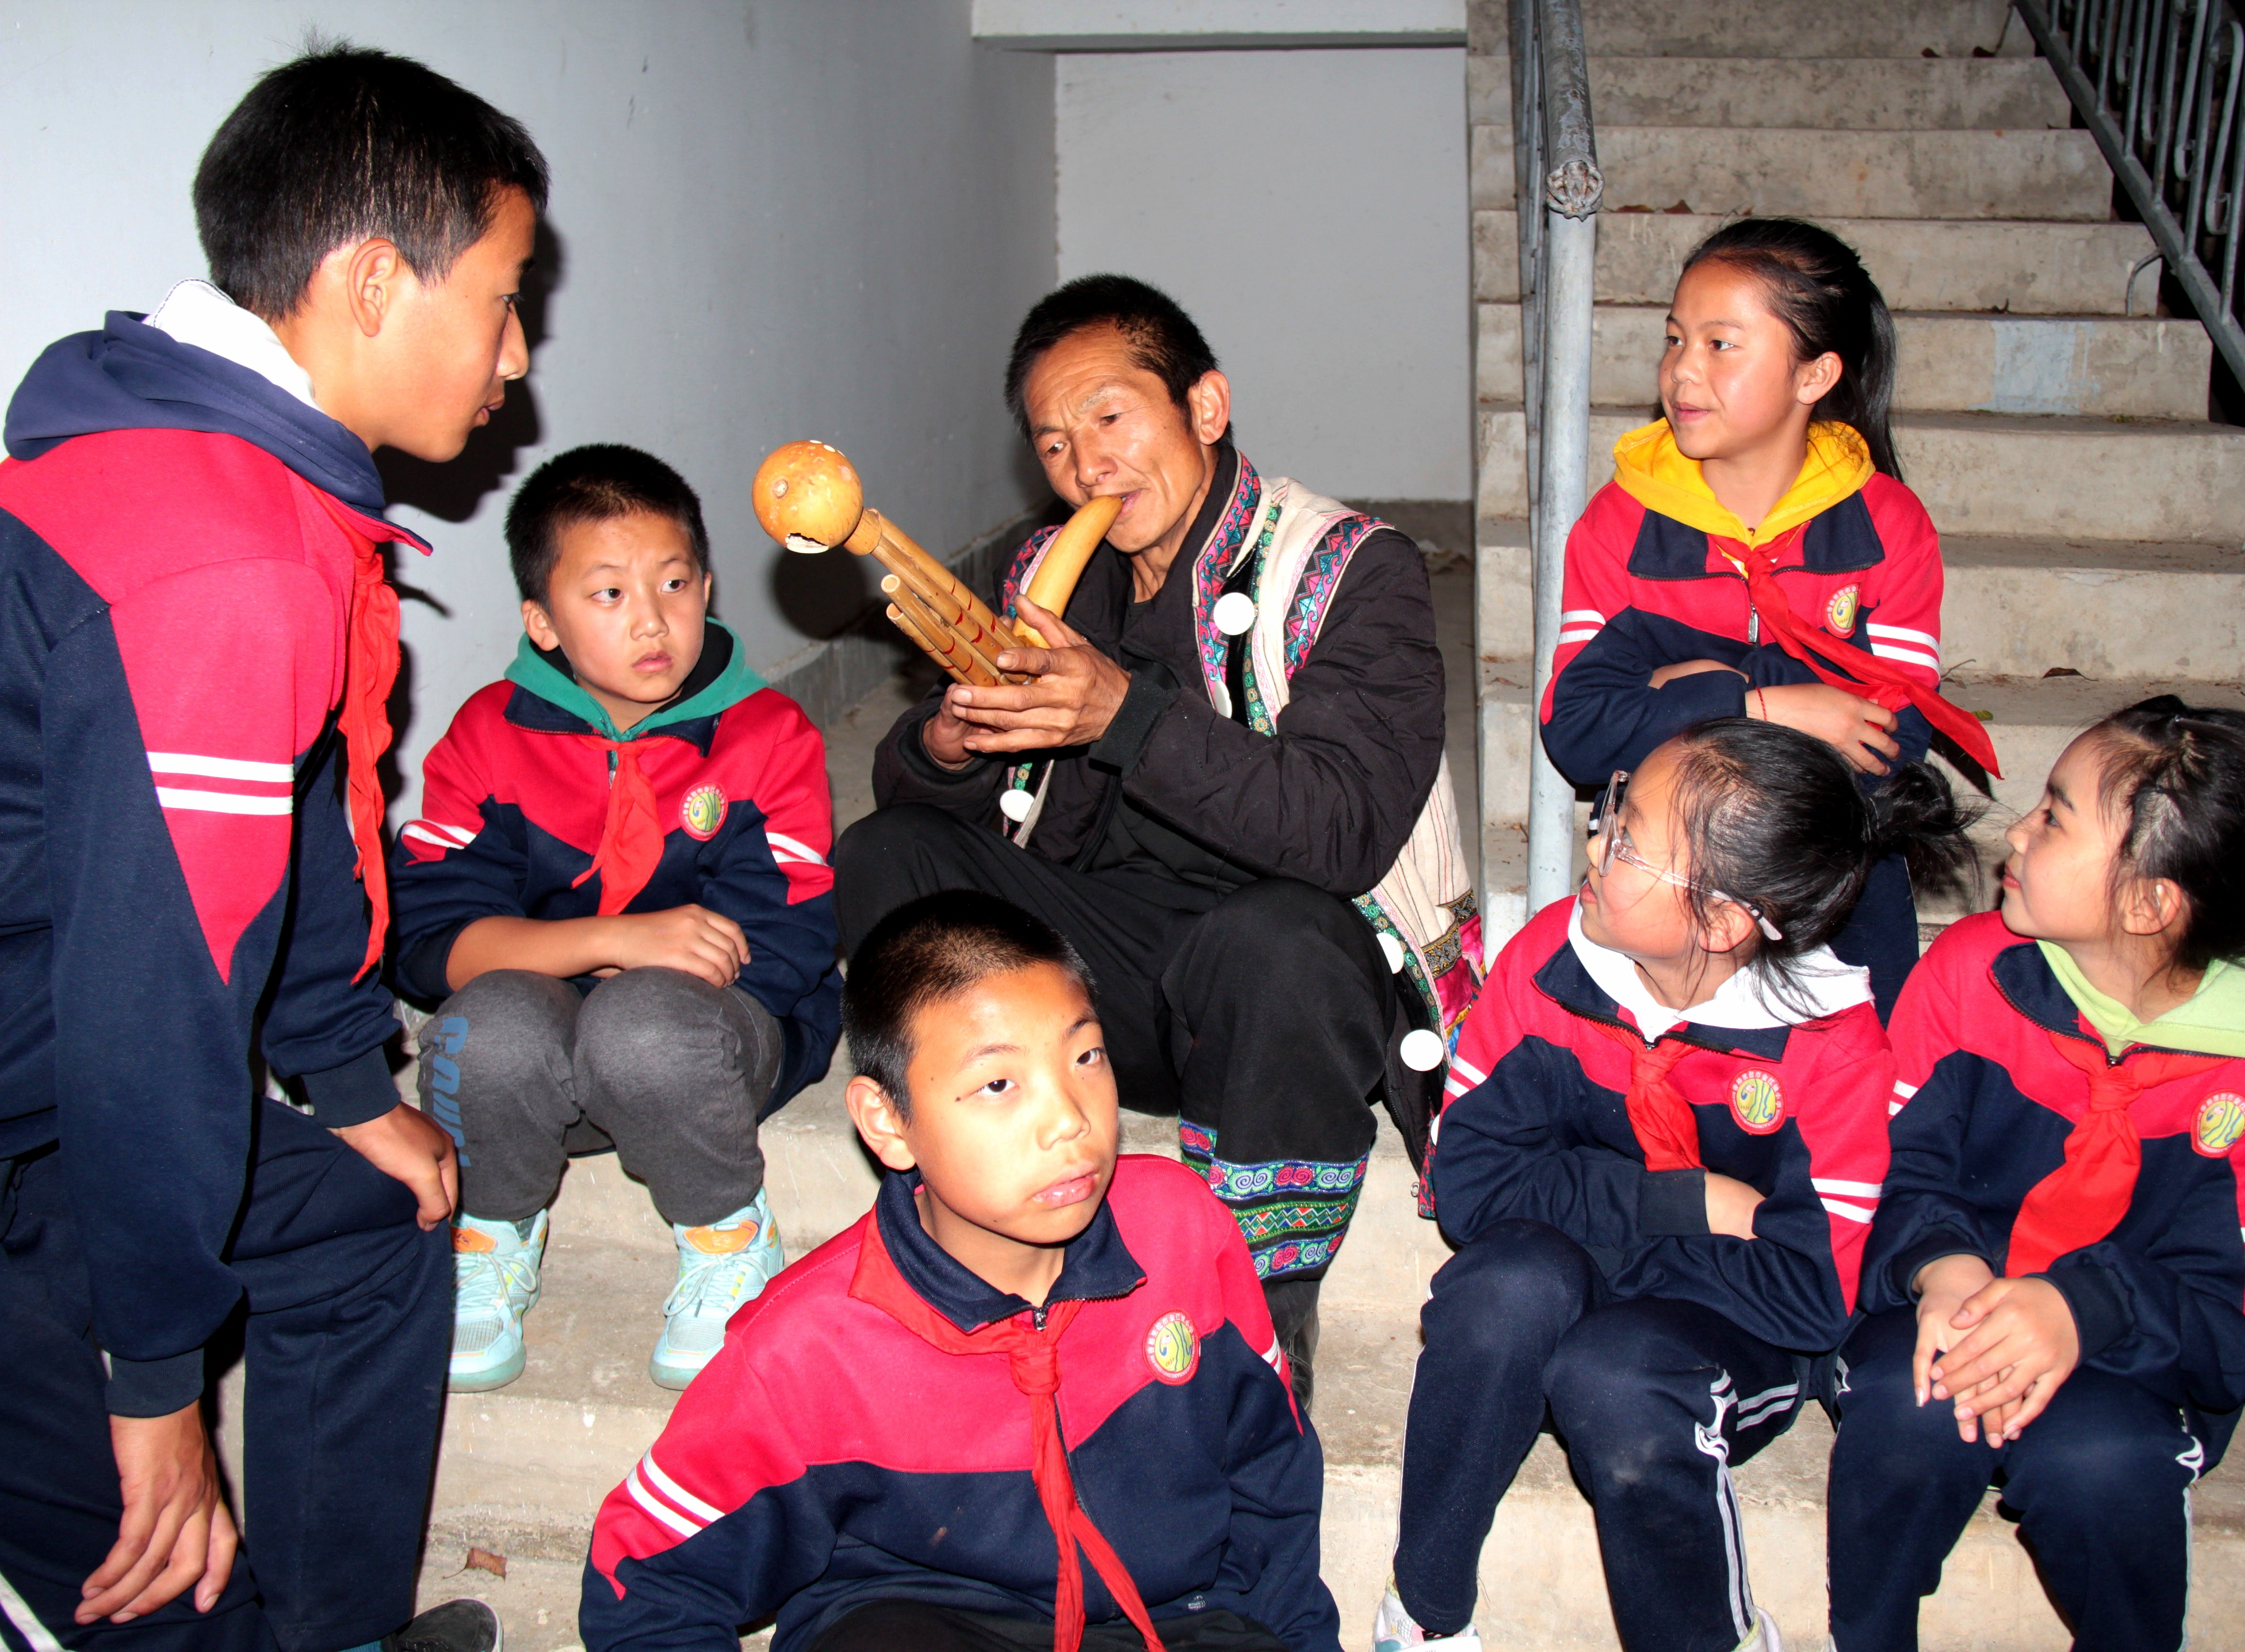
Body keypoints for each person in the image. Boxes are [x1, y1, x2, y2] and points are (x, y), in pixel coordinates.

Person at [0, 44, 540, 1652]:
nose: (518, 356)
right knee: (165, 1584)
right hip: (57, 1098)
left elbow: (298, 821)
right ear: (374, 283)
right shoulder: (219, 555)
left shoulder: (254, 479)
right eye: (504, 301)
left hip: (50, 1088)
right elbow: (152, 1000)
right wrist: (156, 1382)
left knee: (374, 1229)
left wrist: (352, 1087)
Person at [835, 275, 1476, 1411]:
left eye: (1111, 417)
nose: (1088, 465)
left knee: (1275, 942)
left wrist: (1125, 716)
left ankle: (1257, 1311)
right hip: (1097, 983)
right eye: (1054, 442)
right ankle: (982, 1219)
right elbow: (954, 801)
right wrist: (947, 742)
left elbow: (1345, 831)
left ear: (1205, 408)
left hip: (1284, 993)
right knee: (889, 855)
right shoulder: (1046, 576)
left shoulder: (1349, 568)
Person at [581, 891, 1341, 1652]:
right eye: (999, 1084)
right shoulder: (810, 1343)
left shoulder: (1181, 1229)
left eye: (1086, 1057)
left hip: (1176, 1620)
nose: (1070, 1120)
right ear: (887, 1121)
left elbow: (1271, 1470)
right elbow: (645, 1582)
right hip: (922, 1622)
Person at [1377, 719, 1975, 1652]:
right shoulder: (1551, 963)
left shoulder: (1830, 1044)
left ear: (1724, 921)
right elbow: (1468, 1183)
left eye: (1628, 842)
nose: (1594, 844)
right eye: (1612, 814)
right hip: (1612, 1271)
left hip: (1723, 1340)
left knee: (1614, 1371)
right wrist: (1687, 1203)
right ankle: (1424, 1611)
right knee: (1501, 1292)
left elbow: (1809, 1295)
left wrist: (1587, 1217)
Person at [1826, 696, 2245, 1652]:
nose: (2018, 830)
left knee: (2103, 1463)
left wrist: (2082, 1308)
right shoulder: (1973, 972)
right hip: (1948, 1304)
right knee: (1906, 1404)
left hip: (2132, 1361)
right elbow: (1891, 1161)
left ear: (2148, 904)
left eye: (2055, 818)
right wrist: (1941, 1267)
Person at [388, 444, 840, 1392]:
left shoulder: (767, 735)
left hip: (705, 1052)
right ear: (542, 622)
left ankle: (726, 1234)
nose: (651, 620)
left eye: (674, 584)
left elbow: (785, 941)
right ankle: (493, 1232)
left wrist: (617, 984)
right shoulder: (488, 736)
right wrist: (608, 942)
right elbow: (429, 937)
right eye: (607, 594)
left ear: (707, 588)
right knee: (485, 1025)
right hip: (546, 1059)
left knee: (641, 1025)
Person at [1539, 218, 2001, 1020]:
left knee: (1870, 994)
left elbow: (1892, 745)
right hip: (1664, 860)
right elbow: (1579, 734)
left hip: (1825, 865)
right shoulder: (1619, 524)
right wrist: (1769, 704)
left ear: (1815, 374)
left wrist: (1681, 688)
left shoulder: (1887, 525)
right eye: (1676, 339)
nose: (1683, 369)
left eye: (1721, 344)